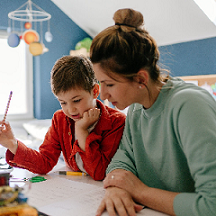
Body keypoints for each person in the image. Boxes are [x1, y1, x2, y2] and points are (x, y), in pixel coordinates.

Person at [90, 8, 216, 216]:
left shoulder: (189, 105)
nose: (102, 94)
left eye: (109, 84)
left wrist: (140, 191)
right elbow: (123, 158)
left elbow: (212, 205)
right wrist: (115, 188)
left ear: (140, 79)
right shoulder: (137, 109)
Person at [0, 55, 126, 181]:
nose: (70, 110)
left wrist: (82, 130)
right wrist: (12, 144)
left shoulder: (116, 121)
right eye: (63, 102)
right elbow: (44, 163)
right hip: (74, 189)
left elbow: (99, 173)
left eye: (76, 100)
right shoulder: (60, 119)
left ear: (95, 91)